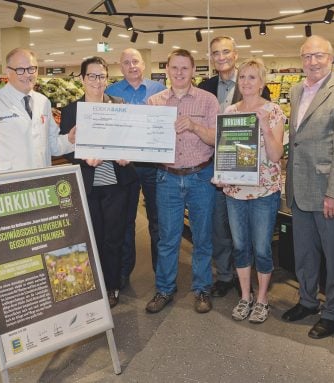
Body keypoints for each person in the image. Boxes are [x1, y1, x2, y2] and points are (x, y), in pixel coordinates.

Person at [283, 36, 334, 339]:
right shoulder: (295, 90)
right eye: (306, 56)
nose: (312, 62)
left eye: (318, 56)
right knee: (304, 253)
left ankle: (332, 313)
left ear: (331, 57)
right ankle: (306, 300)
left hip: (327, 190)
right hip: (299, 189)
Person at [145, 49, 219, 314]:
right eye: (174, 68)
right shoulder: (154, 102)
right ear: (167, 69)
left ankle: (202, 289)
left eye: (184, 68)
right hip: (167, 177)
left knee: (202, 237)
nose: (179, 73)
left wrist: (194, 126)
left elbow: (216, 139)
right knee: (167, 238)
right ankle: (164, 289)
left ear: (193, 71)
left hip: (201, 176)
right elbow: (146, 140)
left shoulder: (208, 100)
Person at [59, 57, 137, 308]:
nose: (97, 81)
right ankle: (93, 286)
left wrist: (128, 155)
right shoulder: (72, 110)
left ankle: (112, 285)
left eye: (102, 76)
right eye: (92, 76)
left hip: (116, 183)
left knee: (114, 238)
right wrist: (83, 158)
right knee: (91, 236)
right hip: (87, 184)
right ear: (82, 79)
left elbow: (128, 140)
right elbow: (66, 147)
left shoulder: (119, 104)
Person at [199, 36, 271, 298]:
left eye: (226, 51)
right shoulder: (205, 86)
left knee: (251, 232)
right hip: (217, 165)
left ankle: (251, 283)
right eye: (215, 53)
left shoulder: (250, 83)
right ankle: (226, 276)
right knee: (221, 227)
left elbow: (266, 133)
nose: (221, 57)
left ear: (235, 53)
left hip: (249, 170)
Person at [222, 59, 285, 323]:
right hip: (234, 191)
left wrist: (265, 127)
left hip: (263, 192)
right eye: (243, 77)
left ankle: (262, 299)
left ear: (262, 82)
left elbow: (276, 154)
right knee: (240, 246)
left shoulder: (274, 112)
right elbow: (225, 151)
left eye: (252, 78)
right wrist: (221, 174)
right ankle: (245, 296)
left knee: (261, 248)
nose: (247, 82)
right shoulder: (229, 110)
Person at [105, 48, 166, 287]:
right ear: (120, 66)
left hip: (153, 167)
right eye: (127, 62)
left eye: (136, 61)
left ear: (143, 64)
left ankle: (161, 272)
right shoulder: (111, 92)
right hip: (123, 167)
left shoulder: (159, 91)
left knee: (157, 220)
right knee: (125, 221)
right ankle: (123, 273)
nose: (132, 66)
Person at [0, 48, 75, 175]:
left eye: (32, 69)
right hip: (7, 186)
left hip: (40, 183)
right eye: (20, 70)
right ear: (8, 72)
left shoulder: (43, 102)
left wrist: (69, 140)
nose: (27, 75)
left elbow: (52, 144)